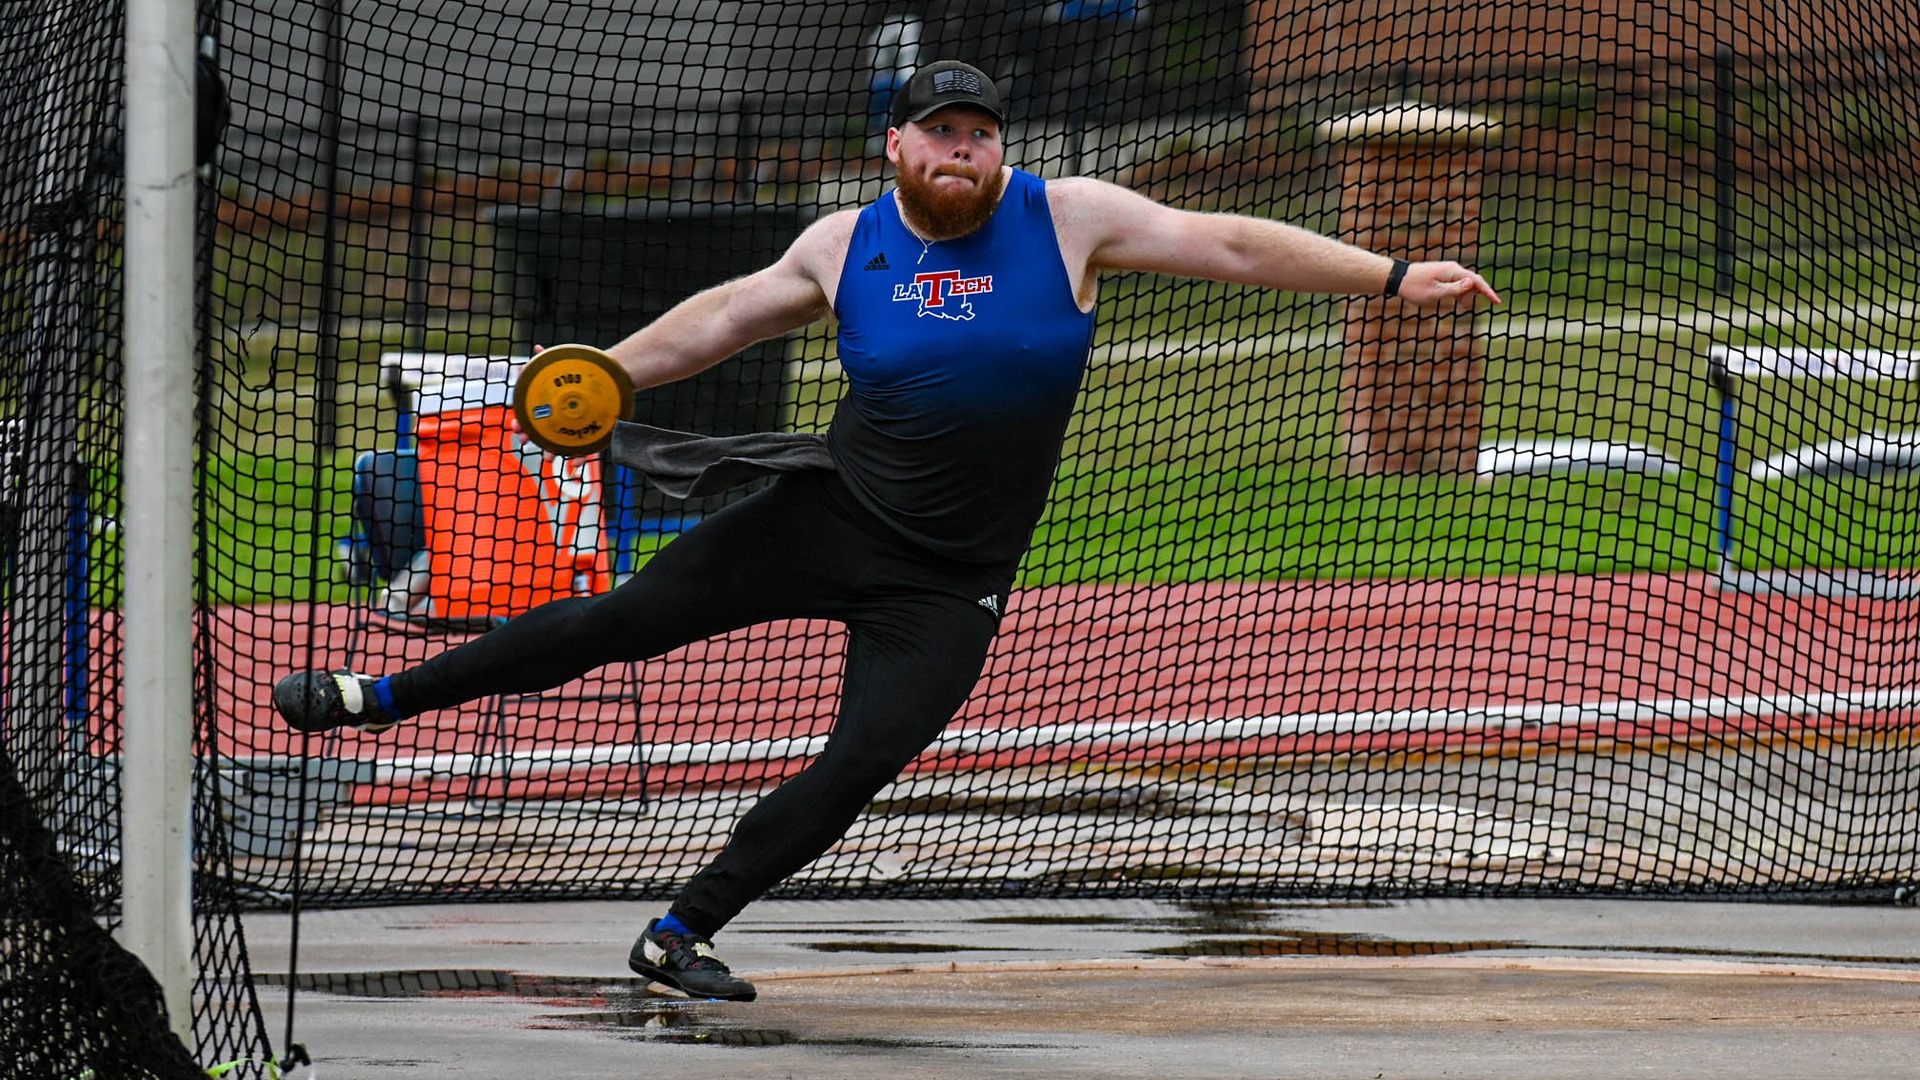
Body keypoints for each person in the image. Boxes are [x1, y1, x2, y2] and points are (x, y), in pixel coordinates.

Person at [272, 59, 1499, 1003]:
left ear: (996, 149)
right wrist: (602, 376)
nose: (963, 150)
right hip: (824, 519)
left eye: (980, 133)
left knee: (863, 758)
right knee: (621, 622)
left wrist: (1392, 278)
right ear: (897, 145)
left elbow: (1228, 242)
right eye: (940, 132)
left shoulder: (1067, 218)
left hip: (948, 582)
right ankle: (379, 696)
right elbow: (726, 319)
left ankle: (679, 933)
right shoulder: (845, 241)